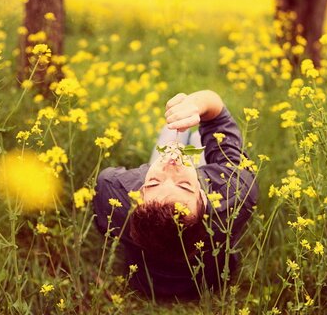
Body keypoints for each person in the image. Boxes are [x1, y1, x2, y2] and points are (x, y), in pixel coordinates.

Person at [92, 90, 258, 298]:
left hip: (144, 284)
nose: (172, 163)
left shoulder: (111, 192)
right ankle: (195, 139)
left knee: (170, 135)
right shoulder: (237, 193)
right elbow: (218, 118)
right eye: (185, 185)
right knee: (199, 137)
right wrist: (198, 105)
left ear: (138, 194)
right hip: (209, 286)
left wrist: (165, 174)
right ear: (203, 200)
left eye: (152, 183)